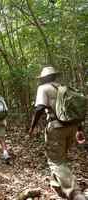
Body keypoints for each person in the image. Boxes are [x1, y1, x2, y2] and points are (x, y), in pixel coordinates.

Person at [29, 66, 86, 200]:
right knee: (61, 158)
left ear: (43, 78)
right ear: (54, 76)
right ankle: (57, 187)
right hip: (71, 127)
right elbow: (73, 110)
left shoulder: (43, 88)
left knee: (56, 161)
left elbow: (39, 108)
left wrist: (32, 127)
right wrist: (79, 129)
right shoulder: (64, 88)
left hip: (56, 128)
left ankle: (75, 194)